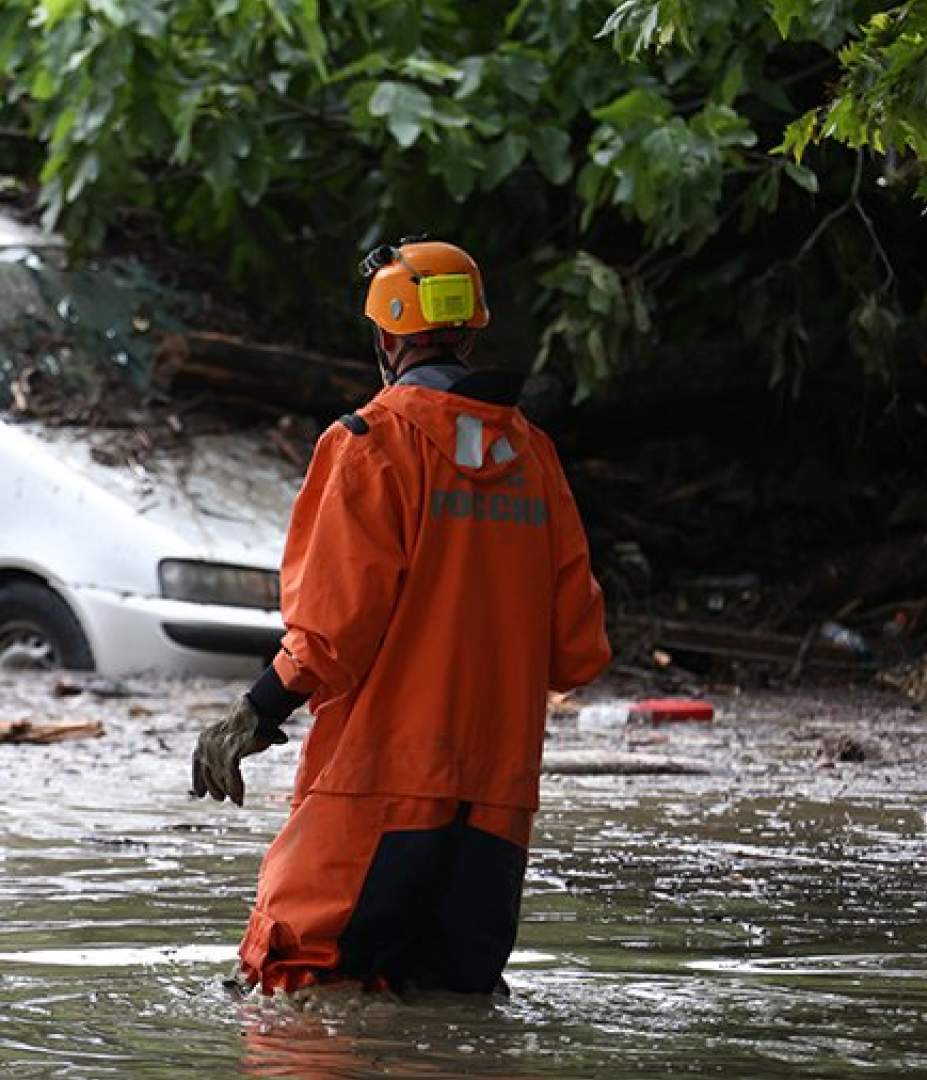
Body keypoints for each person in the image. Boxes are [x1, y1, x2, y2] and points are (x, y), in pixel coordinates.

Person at [190, 238, 611, 998]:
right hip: (495, 808)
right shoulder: (536, 457)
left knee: (294, 992)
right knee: (456, 1010)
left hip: (374, 793)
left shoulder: (369, 443)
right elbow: (578, 652)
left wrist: (253, 713)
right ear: (471, 331)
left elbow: (329, 636)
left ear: (386, 337)